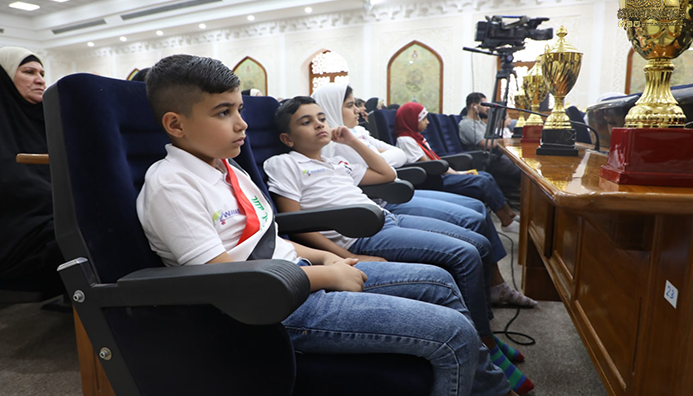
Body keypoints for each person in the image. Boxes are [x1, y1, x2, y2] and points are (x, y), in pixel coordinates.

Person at [136, 54, 521, 396]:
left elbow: (268, 239)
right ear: (176, 124)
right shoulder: (171, 184)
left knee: (440, 281)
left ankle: (489, 382)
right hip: (270, 304)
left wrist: (328, 259)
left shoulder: (228, 168)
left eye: (239, 110)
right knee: (453, 333)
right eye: (224, 113)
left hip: (297, 275)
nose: (242, 124)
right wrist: (325, 276)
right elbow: (224, 278)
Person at [264, 96, 534, 394]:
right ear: (287, 139)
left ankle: (481, 339)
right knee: (465, 253)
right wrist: (347, 255)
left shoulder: (334, 161)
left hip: (386, 218)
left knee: (477, 241)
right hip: (361, 232)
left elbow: (387, 174)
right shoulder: (285, 162)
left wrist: (353, 141)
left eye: (321, 118)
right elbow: (294, 222)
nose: (318, 124)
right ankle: (485, 342)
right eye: (306, 122)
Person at [312, 83, 536, 308]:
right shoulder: (336, 147)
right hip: (386, 200)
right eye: (350, 105)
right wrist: (380, 160)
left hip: (389, 197)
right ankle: (491, 290)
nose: (358, 111)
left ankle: (494, 285)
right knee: (471, 225)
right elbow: (387, 167)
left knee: (477, 209)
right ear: (332, 108)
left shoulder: (355, 135)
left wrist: (379, 160)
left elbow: (397, 157)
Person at [394, 102, 520, 233]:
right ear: (412, 120)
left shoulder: (416, 138)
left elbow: (435, 161)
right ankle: (506, 222)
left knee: (486, 176)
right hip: (433, 181)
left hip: (439, 174)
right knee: (482, 181)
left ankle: (510, 214)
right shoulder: (405, 140)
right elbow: (430, 165)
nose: (428, 122)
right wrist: (457, 174)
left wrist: (459, 172)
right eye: (424, 119)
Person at [0, 47, 64, 293]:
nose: (40, 80)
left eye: (42, 73)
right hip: (20, 229)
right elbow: (13, 184)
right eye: (29, 72)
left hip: (55, 216)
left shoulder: (47, 119)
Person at [459, 92, 521, 197]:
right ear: (474, 106)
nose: (488, 108)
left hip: (495, 155)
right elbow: (486, 144)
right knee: (520, 169)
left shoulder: (480, 123)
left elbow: (494, 140)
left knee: (521, 163)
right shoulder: (467, 124)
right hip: (484, 159)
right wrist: (504, 141)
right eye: (484, 104)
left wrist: (501, 141)